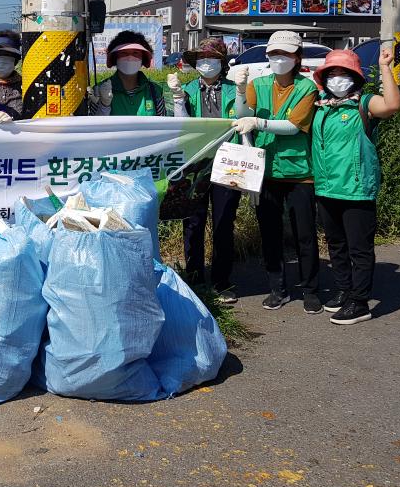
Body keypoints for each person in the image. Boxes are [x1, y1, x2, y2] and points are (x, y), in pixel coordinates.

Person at [232, 30, 321, 313]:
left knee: (304, 234)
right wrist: (239, 91)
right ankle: (277, 288)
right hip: (265, 170)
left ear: (297, 57)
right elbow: (240, 114)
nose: (278, 59)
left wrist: (258, 123)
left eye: (285, 54)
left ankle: (310, 290)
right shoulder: (257, 84)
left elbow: (294, 126)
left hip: (299, 172)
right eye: (274, 54)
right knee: (269, 233)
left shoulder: (307, 88)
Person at [311, 47, 400, 325]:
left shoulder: (365, 103)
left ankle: (360, 302)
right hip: (326, 187)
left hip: (356, 188)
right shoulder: (321, 105)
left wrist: (385, 67)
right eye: (332, 73)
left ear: (355, 78)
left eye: (344, 73)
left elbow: (392, 105)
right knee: (336, 244)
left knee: (359, 248)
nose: (337, 78)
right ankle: (343, 290)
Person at [169, 38, 241, 303]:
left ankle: (222, 282)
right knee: (193, 223)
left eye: (211, 58)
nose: (206, 63)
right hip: (196, 164)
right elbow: (180, 128)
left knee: (223, 223)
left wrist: (243, 92)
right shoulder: (186, 90)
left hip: (229, 162)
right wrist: (177, 99)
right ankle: (196, 281)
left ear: (222, 63)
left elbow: (244, 116)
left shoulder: (236, 89)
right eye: (201, 59)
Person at [89, 30, 166, 116]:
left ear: (143, 58)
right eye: (124, 53)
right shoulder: (100, 90)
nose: (130, 58)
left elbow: (163, 125)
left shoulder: (155, 91)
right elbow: (93, 126)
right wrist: (104, 105)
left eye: (135, 53)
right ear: (115, 58)